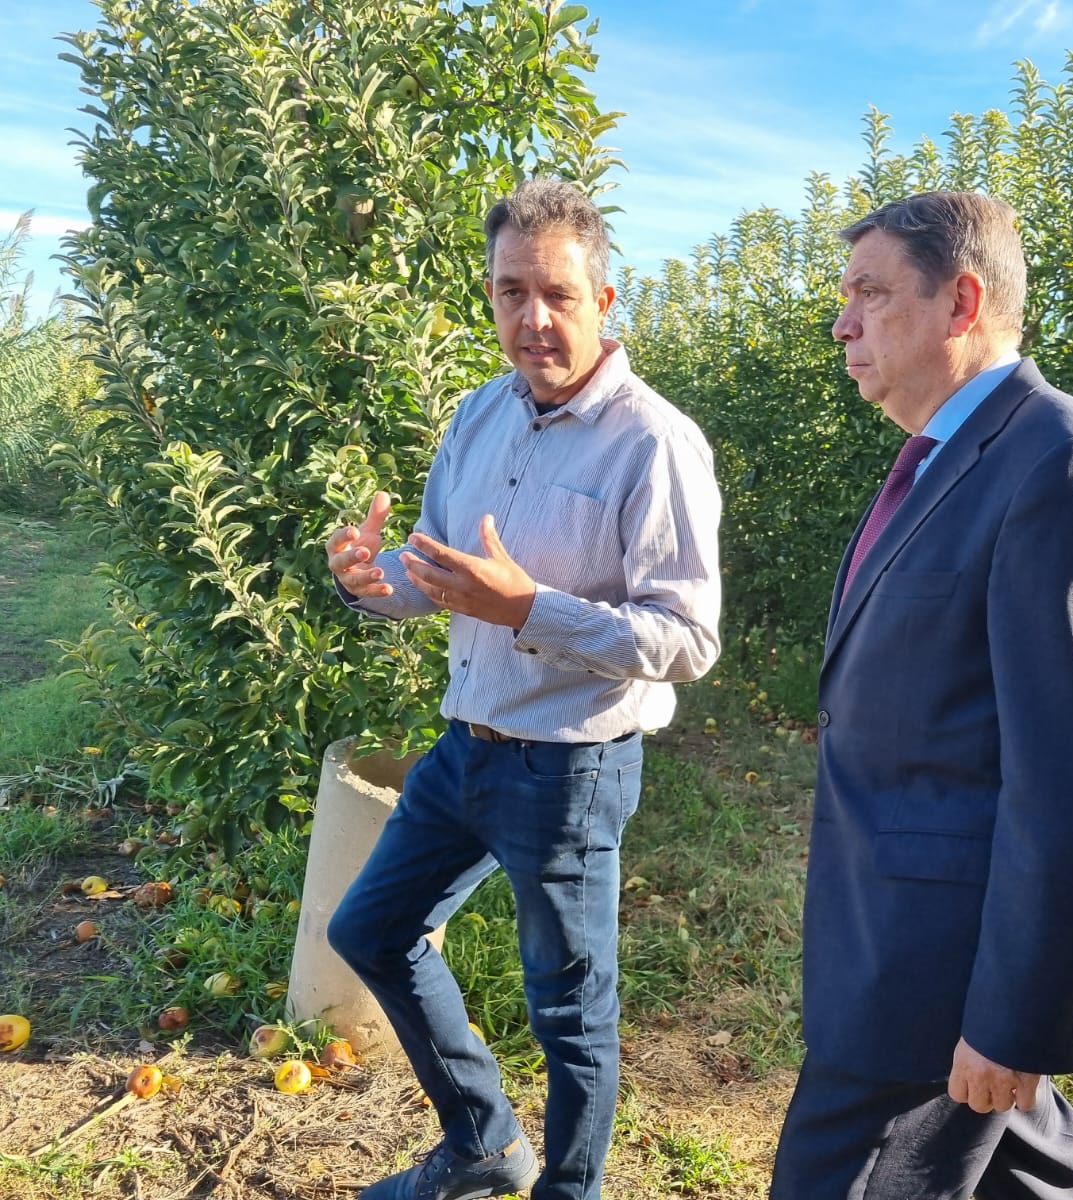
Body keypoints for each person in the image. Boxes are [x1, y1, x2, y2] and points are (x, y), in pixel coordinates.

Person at [322, 178, 721, 1200]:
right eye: (511, 293)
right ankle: (483, 1146)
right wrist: (371, 583)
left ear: (604, 299)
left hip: (572, 768)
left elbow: (687, 639)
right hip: (467, 746)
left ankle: (569, 1191)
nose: (532, 319)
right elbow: (435, 574)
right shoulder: (479, 413)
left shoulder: (653, 442)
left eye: (556, 294)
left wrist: (530, 609)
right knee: (369, 931)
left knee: (569, 1014)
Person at [769, 190, 1073, 1200]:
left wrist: (1013, 1015)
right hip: (887, 935)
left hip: (937, 976)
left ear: (962, 301)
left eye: (870, 293)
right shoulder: (945, 459)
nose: (842, 324)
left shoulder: (1057, 455)